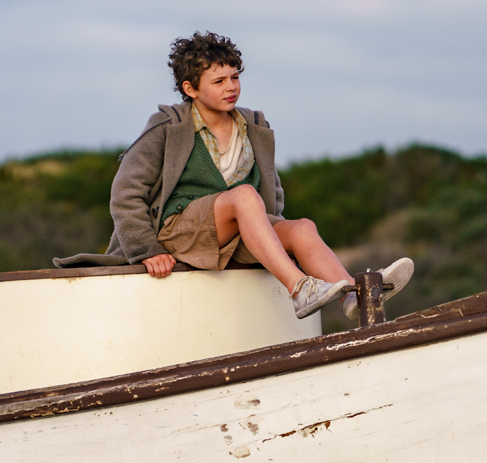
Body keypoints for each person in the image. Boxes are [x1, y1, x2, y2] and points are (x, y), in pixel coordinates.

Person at [57, 32, 412, 320]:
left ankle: (356, 297)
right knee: (243, 196)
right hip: (179, 230)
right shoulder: (168, 127)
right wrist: (146, 249)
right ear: (190, 89)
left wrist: (275, 244)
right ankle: (300, 290)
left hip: (232, 231)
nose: (231, 87)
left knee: (301, 227)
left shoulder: (254, 126)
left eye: (235, 77)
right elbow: (125, 193)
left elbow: (272, 192)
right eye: (219, 81)